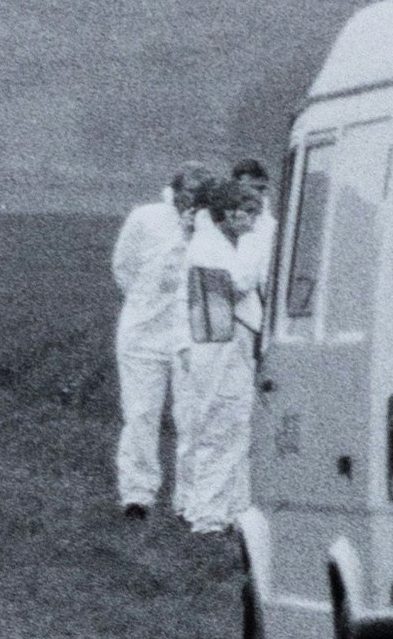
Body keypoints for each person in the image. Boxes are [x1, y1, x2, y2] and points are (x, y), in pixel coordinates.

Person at [112, 160, 212, 520]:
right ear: (176, 190)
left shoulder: (212, 223)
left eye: (201, 194)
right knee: (141, 414)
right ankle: (137, 494)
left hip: (191, 335)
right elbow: (123, 267)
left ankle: (188, 499)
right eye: (190, 192)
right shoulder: (146, 218)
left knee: (191, 417)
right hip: (143, 332)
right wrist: (146, 301)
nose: (194, 200)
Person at [177, 178, 268, 534]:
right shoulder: (207, 247)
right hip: (218, 347)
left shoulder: (224, 244)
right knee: (219, 427)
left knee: (237, 427)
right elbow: (238, 284)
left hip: (234, 344)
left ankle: (233, 511)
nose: (254, 220)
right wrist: (253, 245)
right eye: (248, 212)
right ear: (228, 214)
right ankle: (208, 515)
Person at [230, 158, 277, 291]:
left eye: (259, 189)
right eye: (245, 189)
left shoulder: (272, 228)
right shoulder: (222, 222)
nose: (254, 194)